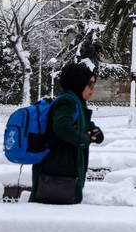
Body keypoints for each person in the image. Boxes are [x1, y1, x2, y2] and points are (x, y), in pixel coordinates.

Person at [30, 61, 105, 205]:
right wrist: (84, 139)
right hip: (57, 169)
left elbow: (84, 124)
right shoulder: (67, 102)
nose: (92, 88)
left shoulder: (77, 103)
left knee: (63, 204)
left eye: (93, 84)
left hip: (64, 169)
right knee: (55, 208)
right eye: (90, 84)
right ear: (78, 83)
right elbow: (62, 127)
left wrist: (97, 133)